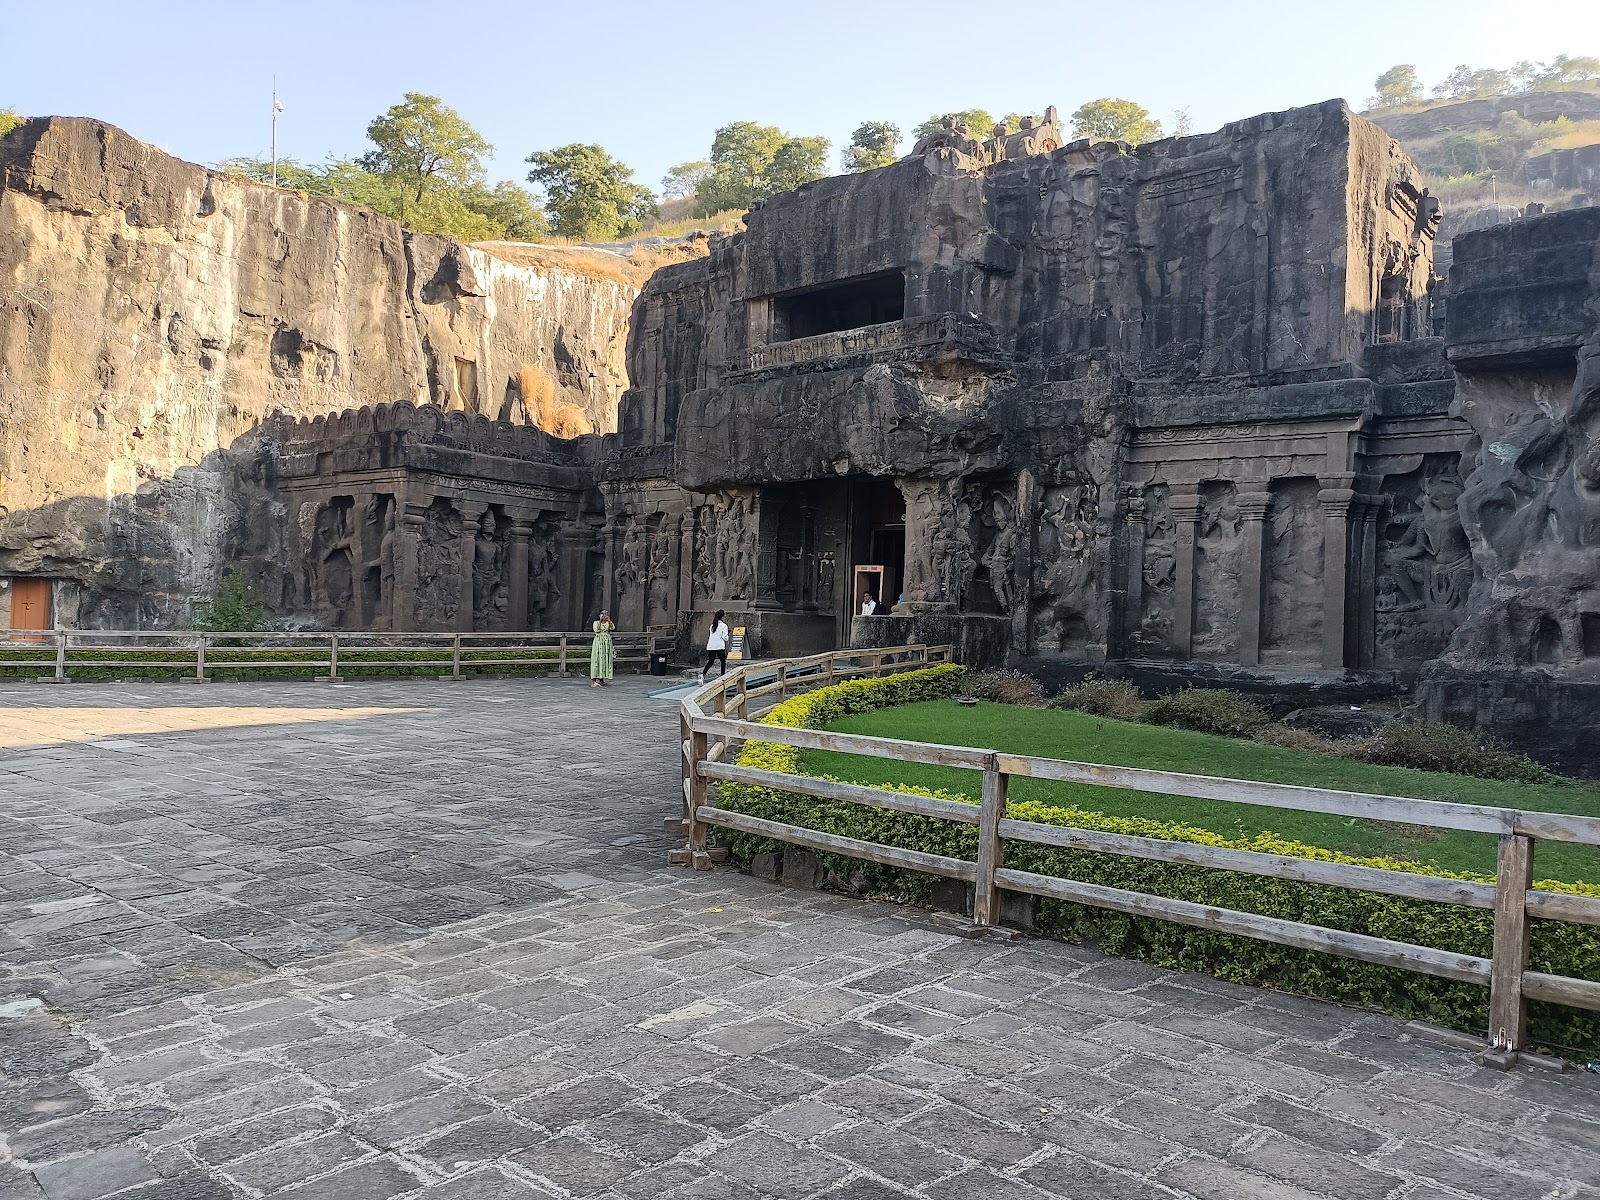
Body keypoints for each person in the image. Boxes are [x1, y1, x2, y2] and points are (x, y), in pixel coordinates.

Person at [701, 609, 730, 680]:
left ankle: (703, 674)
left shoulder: (712, 626)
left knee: (711, 661)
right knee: (723, 661)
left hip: (711, 646)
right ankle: (722, 675)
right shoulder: (724, 626)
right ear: (722, 617)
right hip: (719, 646)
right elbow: (725, 638)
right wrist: (728, 634)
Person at [590, 610, 615, 688]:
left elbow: (613, 628)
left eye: (605, 615)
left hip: (606, 642)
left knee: (605, 659)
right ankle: (594, 680)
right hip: (599, 641)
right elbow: (597, 630)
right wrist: (600, 621)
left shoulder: (608, 622)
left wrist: (609, 620)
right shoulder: (596, 623)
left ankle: (601, 679)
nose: (604, 616)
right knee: (597, 658)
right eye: (603, 615)